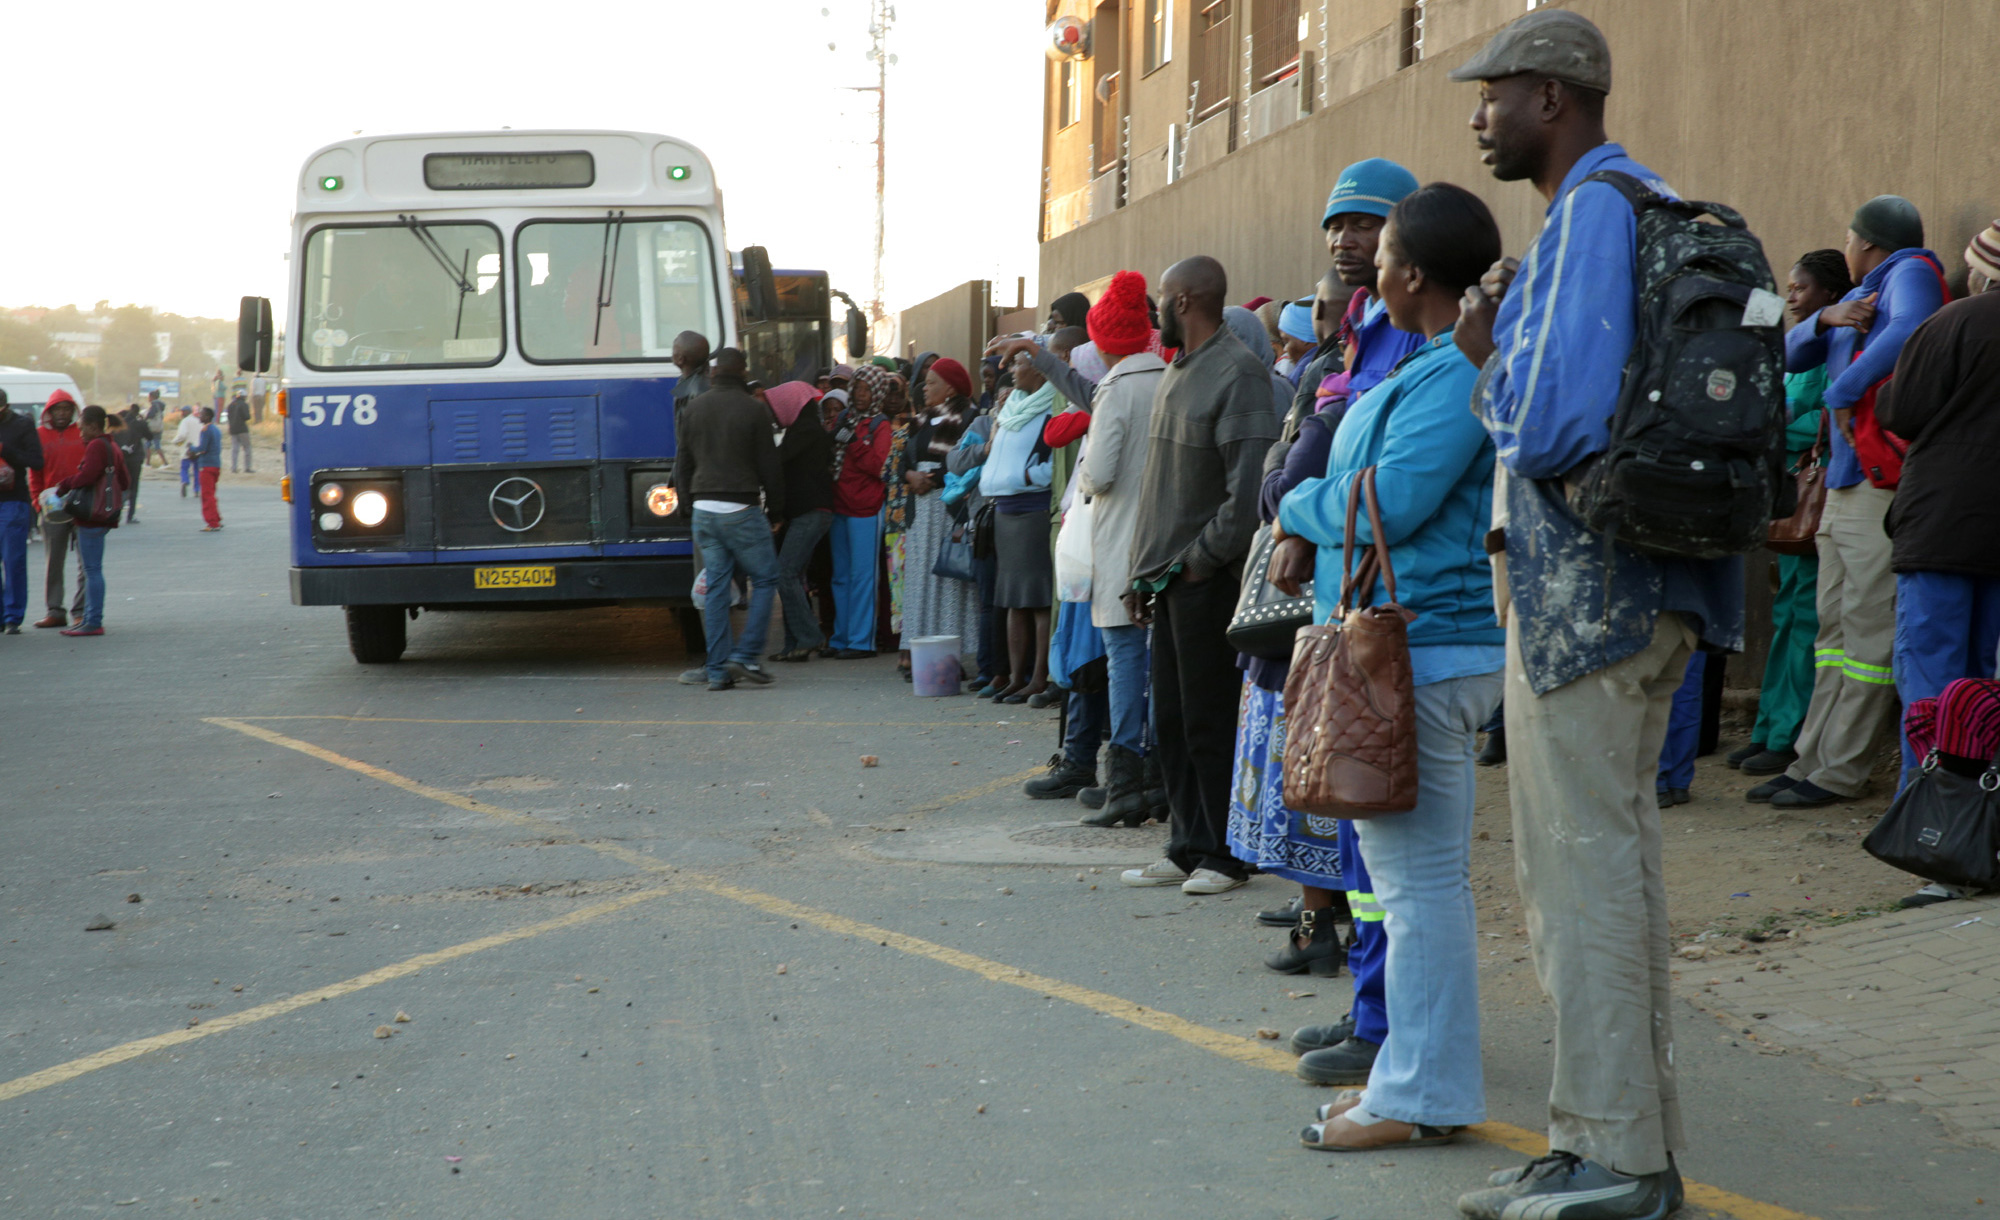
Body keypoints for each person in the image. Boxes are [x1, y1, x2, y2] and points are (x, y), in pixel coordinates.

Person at [1449, 11, 1740, 1215]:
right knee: (1608, 872)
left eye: (1494, 94)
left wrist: (1481, 356)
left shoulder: (1588, 213)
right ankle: (1604, 1138)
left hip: (1588, 604)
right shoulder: (1652, 200)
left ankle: (1616, 1161)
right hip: (1653, 591)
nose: (1479, 115)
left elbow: (1556, 418)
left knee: (1579, 881)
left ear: (1554, 100)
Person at [1276, 181, 1504, 1153]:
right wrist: (1324, 492)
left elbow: (1393, 498)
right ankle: (1414, 1081)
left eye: (1381, 251)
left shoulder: (1455, 372)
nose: (1363, 260)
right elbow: (1357, 480)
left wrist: (1295, 510)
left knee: (1417, 893)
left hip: (1428, 649)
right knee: (1414, 889)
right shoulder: (1424, 366)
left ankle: (1417, 1092)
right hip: (1414, 647)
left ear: (1411, 273)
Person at [1259, 161, 1423, 1073]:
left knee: (1392, 848)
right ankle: (1369, 1012)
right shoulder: (1356, 331)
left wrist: (1295, 513)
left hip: (1391, 612)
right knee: (1361, 845)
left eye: (1364, 225)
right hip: (1345, 598)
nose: (1343, 240)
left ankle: (1392, 1031)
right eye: (1335, 225)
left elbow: (1381, 484)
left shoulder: (1416, 344)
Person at [1751, 196, 1948, 810]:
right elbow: (1783, 356)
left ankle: (1840, 771)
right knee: (1832, 633)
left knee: (1865, 634)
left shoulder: (1909, 272)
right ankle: (1813, 758)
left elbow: (1911, 329)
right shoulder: (1862, 295)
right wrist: (1826, 320)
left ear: (1866, 243)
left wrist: (1845, 388)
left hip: (1873, 486)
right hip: (1841, 484)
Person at [1119, 256, 1279, 896]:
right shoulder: (1178, 368)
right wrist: (1143, 573)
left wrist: (1195, 564)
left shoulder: (1239, 373)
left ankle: (1224, 853)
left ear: (1183, 299)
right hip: (1167, 578)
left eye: (1161, 297)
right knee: (1175, 722)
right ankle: (1186, 844)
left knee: (1211, 719)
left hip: (1205, 580)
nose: (1157, 307)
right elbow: (1160, 491)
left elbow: (1243, 499)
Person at [1875, 220, 2000, 904]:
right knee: (1985, 692)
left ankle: (1934, 850)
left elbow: (1901, 408)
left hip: (1943, 526)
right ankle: (1984, 834)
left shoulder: (1954, 323)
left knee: (1930, 691)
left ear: (1981, 272)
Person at [1728, 250, 1854, 777]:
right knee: (1786, 615)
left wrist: (1775, 427)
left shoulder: (1836, 347)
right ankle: (1768, 729)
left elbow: (1823, 420)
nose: (1792, 296)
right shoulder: (1798, 347)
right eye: (1790, 287)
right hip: (1787, 496)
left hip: (1817, 495)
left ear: (1829, 294)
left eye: (1801, 288)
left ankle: (1790, 735)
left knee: (1806, 619)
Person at [1073, 271, 1168, 826]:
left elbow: (1100, 474)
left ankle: (1125, 778)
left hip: (1120, 542)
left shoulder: (1115, 388)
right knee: (1156, 658)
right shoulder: (1168, 376)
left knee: (1125, 658)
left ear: (1104, 340)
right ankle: (1155, 776)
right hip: (1164, 541)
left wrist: (1083, 475)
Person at [672, 348, 783, 691]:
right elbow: (770, 466)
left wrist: (689, 506)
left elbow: (683, 462)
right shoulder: (754, 409)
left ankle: (718, 670)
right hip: (740, 509)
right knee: (765, 578)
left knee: (717, 587)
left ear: (714, 371)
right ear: (743, 371)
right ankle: (746, 655)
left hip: (704, 511)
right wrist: (777, 511)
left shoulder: (695, 407)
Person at [978, 350, 1056, 702]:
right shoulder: (1012, 408)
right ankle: (1014, 677)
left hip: (1032, 511)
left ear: (1039, 371)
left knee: (1038, 601)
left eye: (1019, 363)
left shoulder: (1052, 408)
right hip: (1005, 513)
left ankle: (1039, 678)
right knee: (1010, 599)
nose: (1011, 368)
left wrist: (1027, 475)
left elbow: (1060, 465)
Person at [896, 357, 981, 669]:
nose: (924, 388)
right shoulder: (921, 420)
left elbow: (967, 461)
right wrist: (910, 477)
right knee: (920, 580)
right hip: (920, 513)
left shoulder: (970, 417)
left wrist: (932, 479)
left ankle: (950, 658)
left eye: (932, 383)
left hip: (949, 509)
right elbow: (904, 459)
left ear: (950, 388)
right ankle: (921, 656)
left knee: (949, 581)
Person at [43, 404, 131, 637]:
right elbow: (125, 481)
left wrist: (63, 486)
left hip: (91, 518)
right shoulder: (112, 445)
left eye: (82, 429)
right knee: (93, 569)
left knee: (92, 570)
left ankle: (93, 621)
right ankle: (89, 619)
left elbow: (87, 476)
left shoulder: (96, 446)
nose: (80, 434)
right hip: (104, 516)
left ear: (93, 427)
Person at [827, 364, 895, 659]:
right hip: (839, 504)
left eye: (867, 389)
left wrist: (853, 442)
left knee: (863, 576)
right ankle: (841, 637)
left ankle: (860, 642)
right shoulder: (845, 417)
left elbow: (879, 467)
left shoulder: (881, 426)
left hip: (866, 508)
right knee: (840, 576)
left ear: (877, 391)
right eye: (857, 388)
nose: (861, 394)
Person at [766, 380, 834, 663]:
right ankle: (794, 645)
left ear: (789, 404)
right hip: (807, 512)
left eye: (774, 407)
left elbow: (776, 461)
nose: (772, 413)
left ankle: (808, 638)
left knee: (785, 573)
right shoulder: (800, 429)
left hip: (811, 512)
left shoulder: (805, 431)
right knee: (792, 576)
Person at [27, 391, 86, 628]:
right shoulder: (39, 436)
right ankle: (55, 610)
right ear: (49, 412)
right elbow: (35, 473)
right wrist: (37, 502)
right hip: (51, 506)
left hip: (82, 504)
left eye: (66, 409)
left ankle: (80, 611)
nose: (62, 413)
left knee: (86, 562)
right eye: (57, 409)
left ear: (73, 411)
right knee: (53, 562)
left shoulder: (83, 434)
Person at [0, 389, 44, 634]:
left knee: (13, 560)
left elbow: (37, 461)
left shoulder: (22, 425)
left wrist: (6, 451)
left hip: (12, 501)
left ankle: (12, 617)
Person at [190, 406, 223, 530]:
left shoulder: (206, 430)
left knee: (206, 495)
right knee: (212, 493)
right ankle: (216, 519)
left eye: (202, 414)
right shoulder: (216, 429)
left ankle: (212, 523)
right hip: (216, 465)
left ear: (208, 417)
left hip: (207, 466)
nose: (200, 416)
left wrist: (192, 448)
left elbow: (202, 449)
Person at [116, 406, 150, 525]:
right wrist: (143, 421)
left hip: (121, 459)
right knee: (134, 486)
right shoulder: (139, 423)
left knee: (121, 485)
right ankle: (131, 515)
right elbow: (149, 436)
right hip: (136, 459)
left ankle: (117, 513)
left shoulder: (117, 427)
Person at [671, 331, 712, 413]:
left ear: (680, 359)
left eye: (674, 349)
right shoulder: (689, 380)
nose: (671, 353)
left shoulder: (698, 393)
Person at [171, 405, 201, 497]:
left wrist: (175, 442)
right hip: (197, 450)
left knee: (184, 468)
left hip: (186, 449)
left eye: (183, 412)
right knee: (197, 470)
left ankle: (185, 481)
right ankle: (196, 490)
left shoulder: (184, 421)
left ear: (187, 412)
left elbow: (182, 435)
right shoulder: (198, 421)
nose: (182, 413)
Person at [226, 391, 253, 472]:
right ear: (244, 397)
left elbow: (229, 417)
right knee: (247, 448)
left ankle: (234, 467)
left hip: (233, 429)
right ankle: (247, 468)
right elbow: (247, 417)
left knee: (235, 449)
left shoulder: (230, 405)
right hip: (242, 429)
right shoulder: (244, 404)